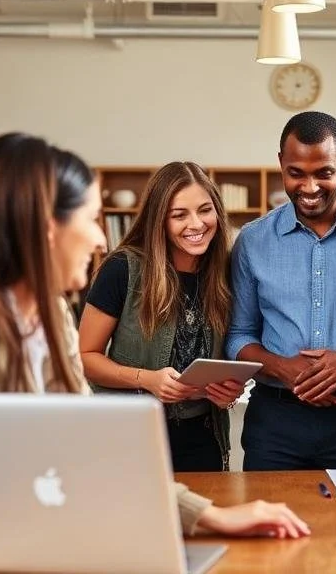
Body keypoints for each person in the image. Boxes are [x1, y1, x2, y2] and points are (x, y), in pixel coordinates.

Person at [0, 134, 309, 574]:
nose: (98, 238)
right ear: (44, 226)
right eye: (91, 219)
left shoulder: (50, 315)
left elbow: (89, 448)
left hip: (28, 539)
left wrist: (212, 516)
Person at [226, 111, 336, 470]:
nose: (310, 187)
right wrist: (284, 368)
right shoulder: (252, 241)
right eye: (296, 173)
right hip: (274, 422)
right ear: (281, 164)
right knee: (269, 523)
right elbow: (239, 335)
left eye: (324, 173)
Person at [79, 162, 244, 473]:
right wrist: (148, 380)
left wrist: (228, 393)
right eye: (179, 215)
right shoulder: (123, 269)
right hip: (132, 435)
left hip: (204, 438)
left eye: (205, 210)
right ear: (159, 221)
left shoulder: (225, 273)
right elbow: (85, 357)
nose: (196, 224)